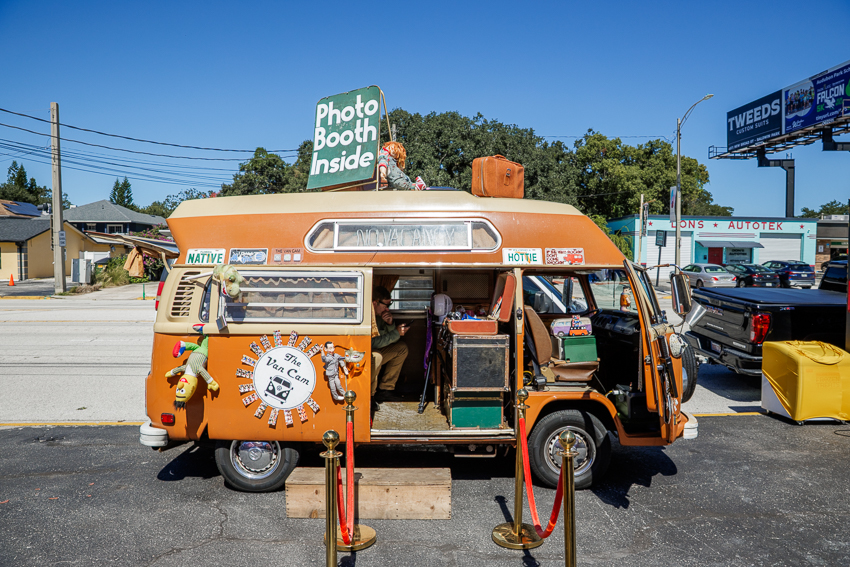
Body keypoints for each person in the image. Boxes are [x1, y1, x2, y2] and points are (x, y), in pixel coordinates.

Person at [371, 286, 409, 409]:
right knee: (377, 356)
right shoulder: (369, 316)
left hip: (377, 351)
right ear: (375, 303)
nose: (387, 309)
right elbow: (374, 343)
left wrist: (390, 324)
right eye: (385, 305)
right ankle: (370, 395)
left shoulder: (381, 315)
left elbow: (391, 340)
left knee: (401, 348)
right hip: (368, 354)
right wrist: (396, 333)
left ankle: (385, 390)